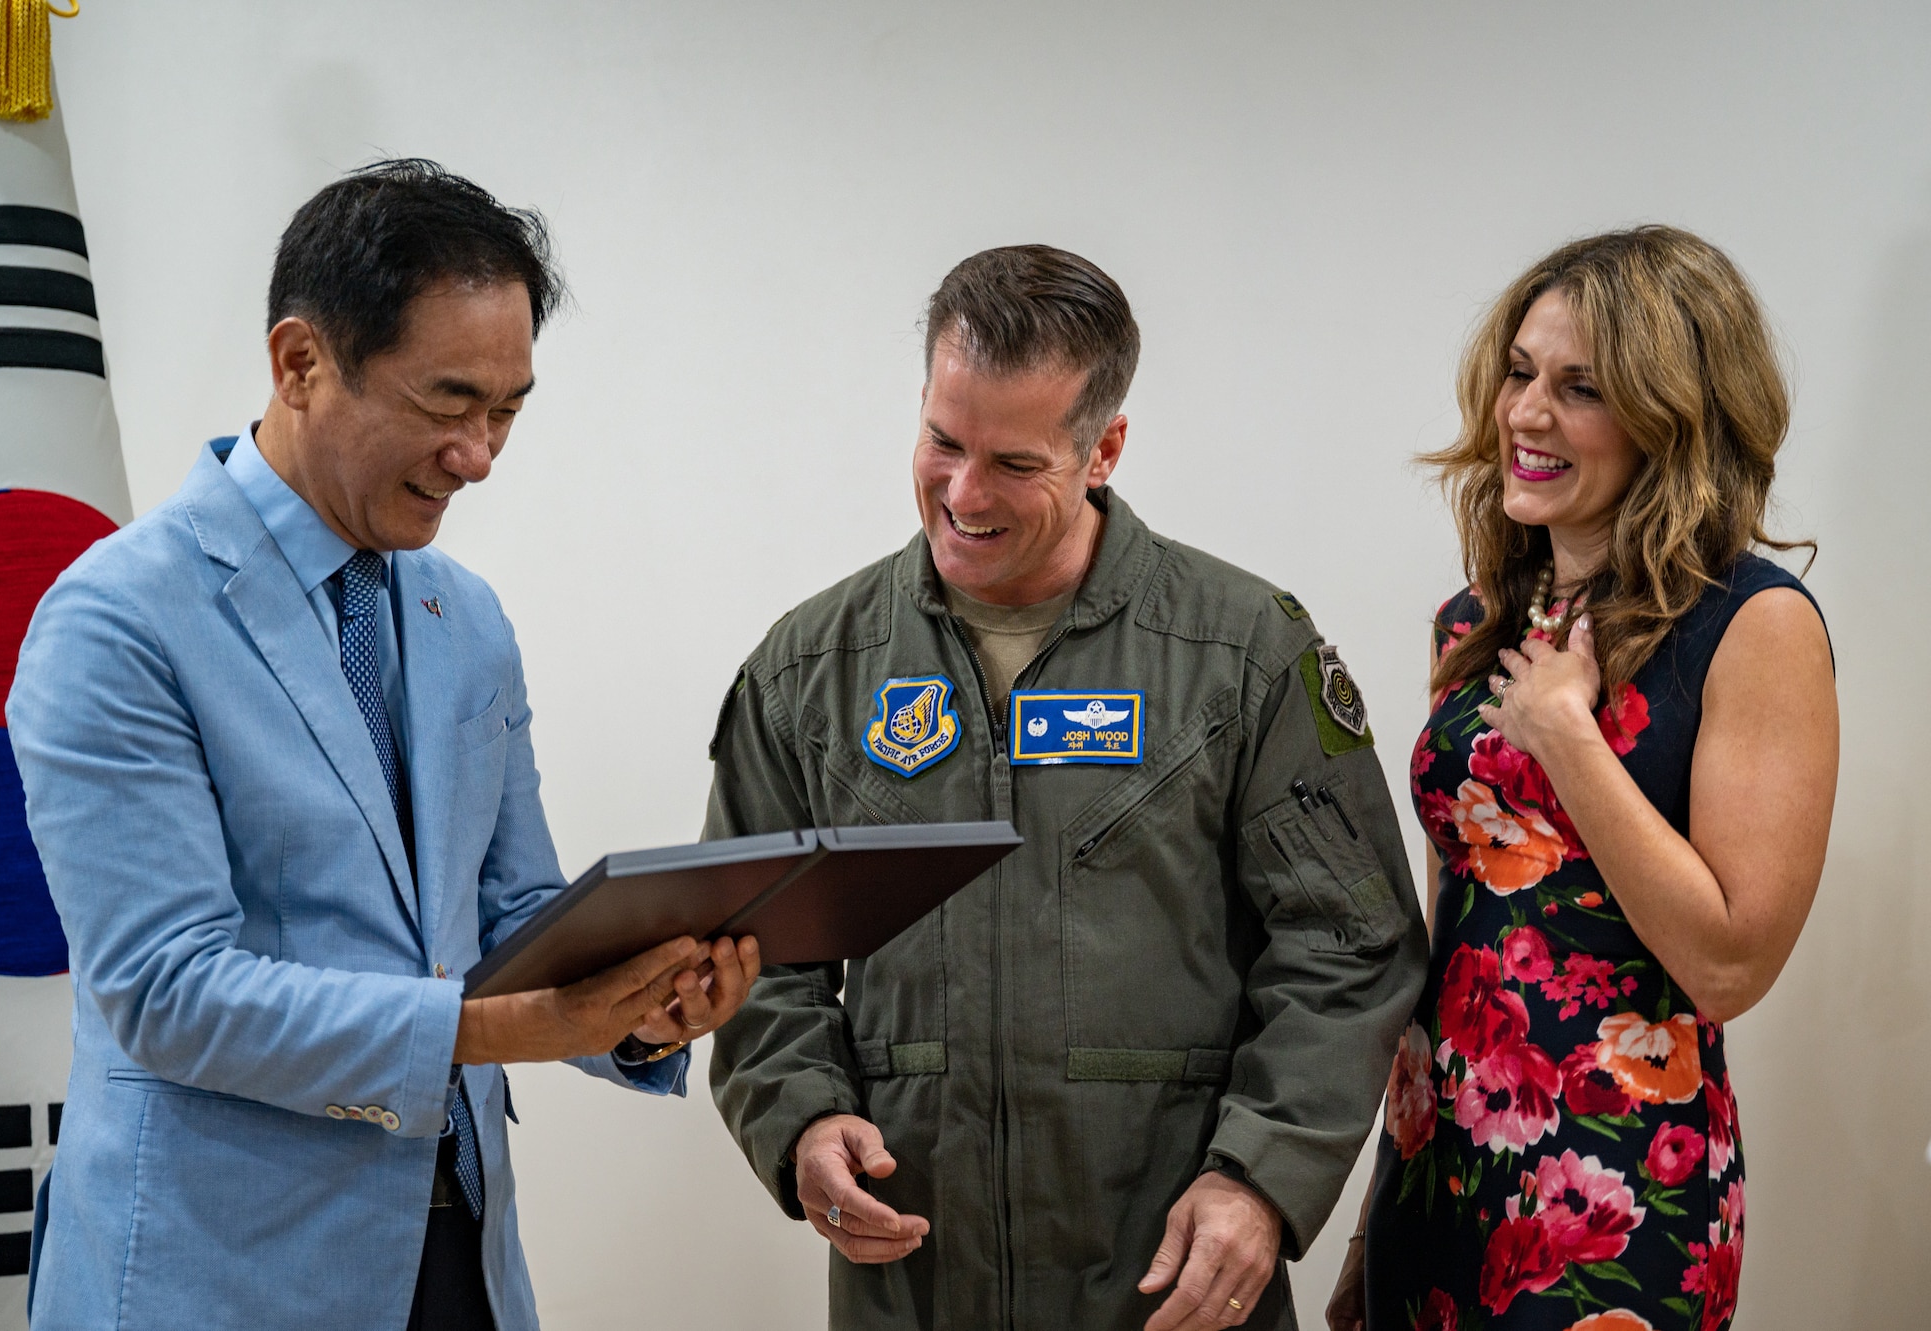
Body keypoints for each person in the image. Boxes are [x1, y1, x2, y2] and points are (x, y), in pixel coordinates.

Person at [6, 159, 761, 1331]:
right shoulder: (116, 618)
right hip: (215, 1272)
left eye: (508, 408)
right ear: (300, 361)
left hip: (461, 1254)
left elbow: (511, 914)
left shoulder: (466, 616)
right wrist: (500, 1028)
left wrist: (637, 1004)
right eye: (447, 401)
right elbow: (167, 989)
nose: (481, 454)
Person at [703, 244, 1428, 1330]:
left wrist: (1259, 1175)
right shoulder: (809, 669)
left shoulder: (1239, 654)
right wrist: (802, 1118)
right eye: (941, 442)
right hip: (915, 1280)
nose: (961, 492)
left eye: (1012, 462)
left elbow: (1348, 945)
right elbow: (749, 953)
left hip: (1167, 1275)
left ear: (1103, 448)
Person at [1327, 226, 1838, 1331]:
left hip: (1616, 1186)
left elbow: (1726, 963)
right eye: (1518, 373)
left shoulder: (1752, 624)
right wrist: (1376, 1205)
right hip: (1436, 1166)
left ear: (1671, 415)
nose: (1524, 412)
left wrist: (1568, 734)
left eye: (1579, 387)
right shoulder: (1473, 623)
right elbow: (1447, 930)